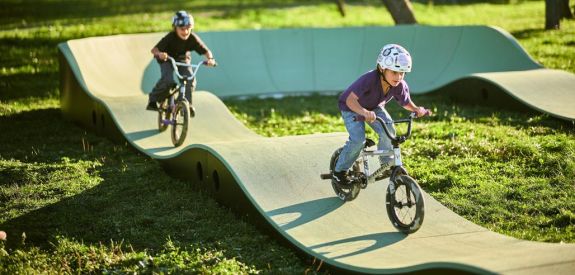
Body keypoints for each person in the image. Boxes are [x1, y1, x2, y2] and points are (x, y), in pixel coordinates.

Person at [332, 44, 431, 185]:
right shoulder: (369, 79)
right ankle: (339, 172)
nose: (399, 77)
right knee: (358, 140)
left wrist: (416, 109)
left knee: (389, 129)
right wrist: (364, 112)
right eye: (394, 72)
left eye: (402, 73)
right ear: (382, 68)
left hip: (374, 108)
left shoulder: (399, 84)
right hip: (351, 108)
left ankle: (386, 165)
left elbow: (405, 101)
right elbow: (350, 100)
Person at [146, 10, 217, 115]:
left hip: (183, 60)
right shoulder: (170, 37)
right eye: (182, 29)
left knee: (190, 79)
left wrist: (210, 59)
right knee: (168, 81)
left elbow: (206, 51)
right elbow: (154, 50)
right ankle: (153, 100)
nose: (185, 32)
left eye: (188, 28)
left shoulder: (192, 38)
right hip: (167, 59)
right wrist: (160, 54)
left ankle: (185, 104)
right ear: (175, 28)